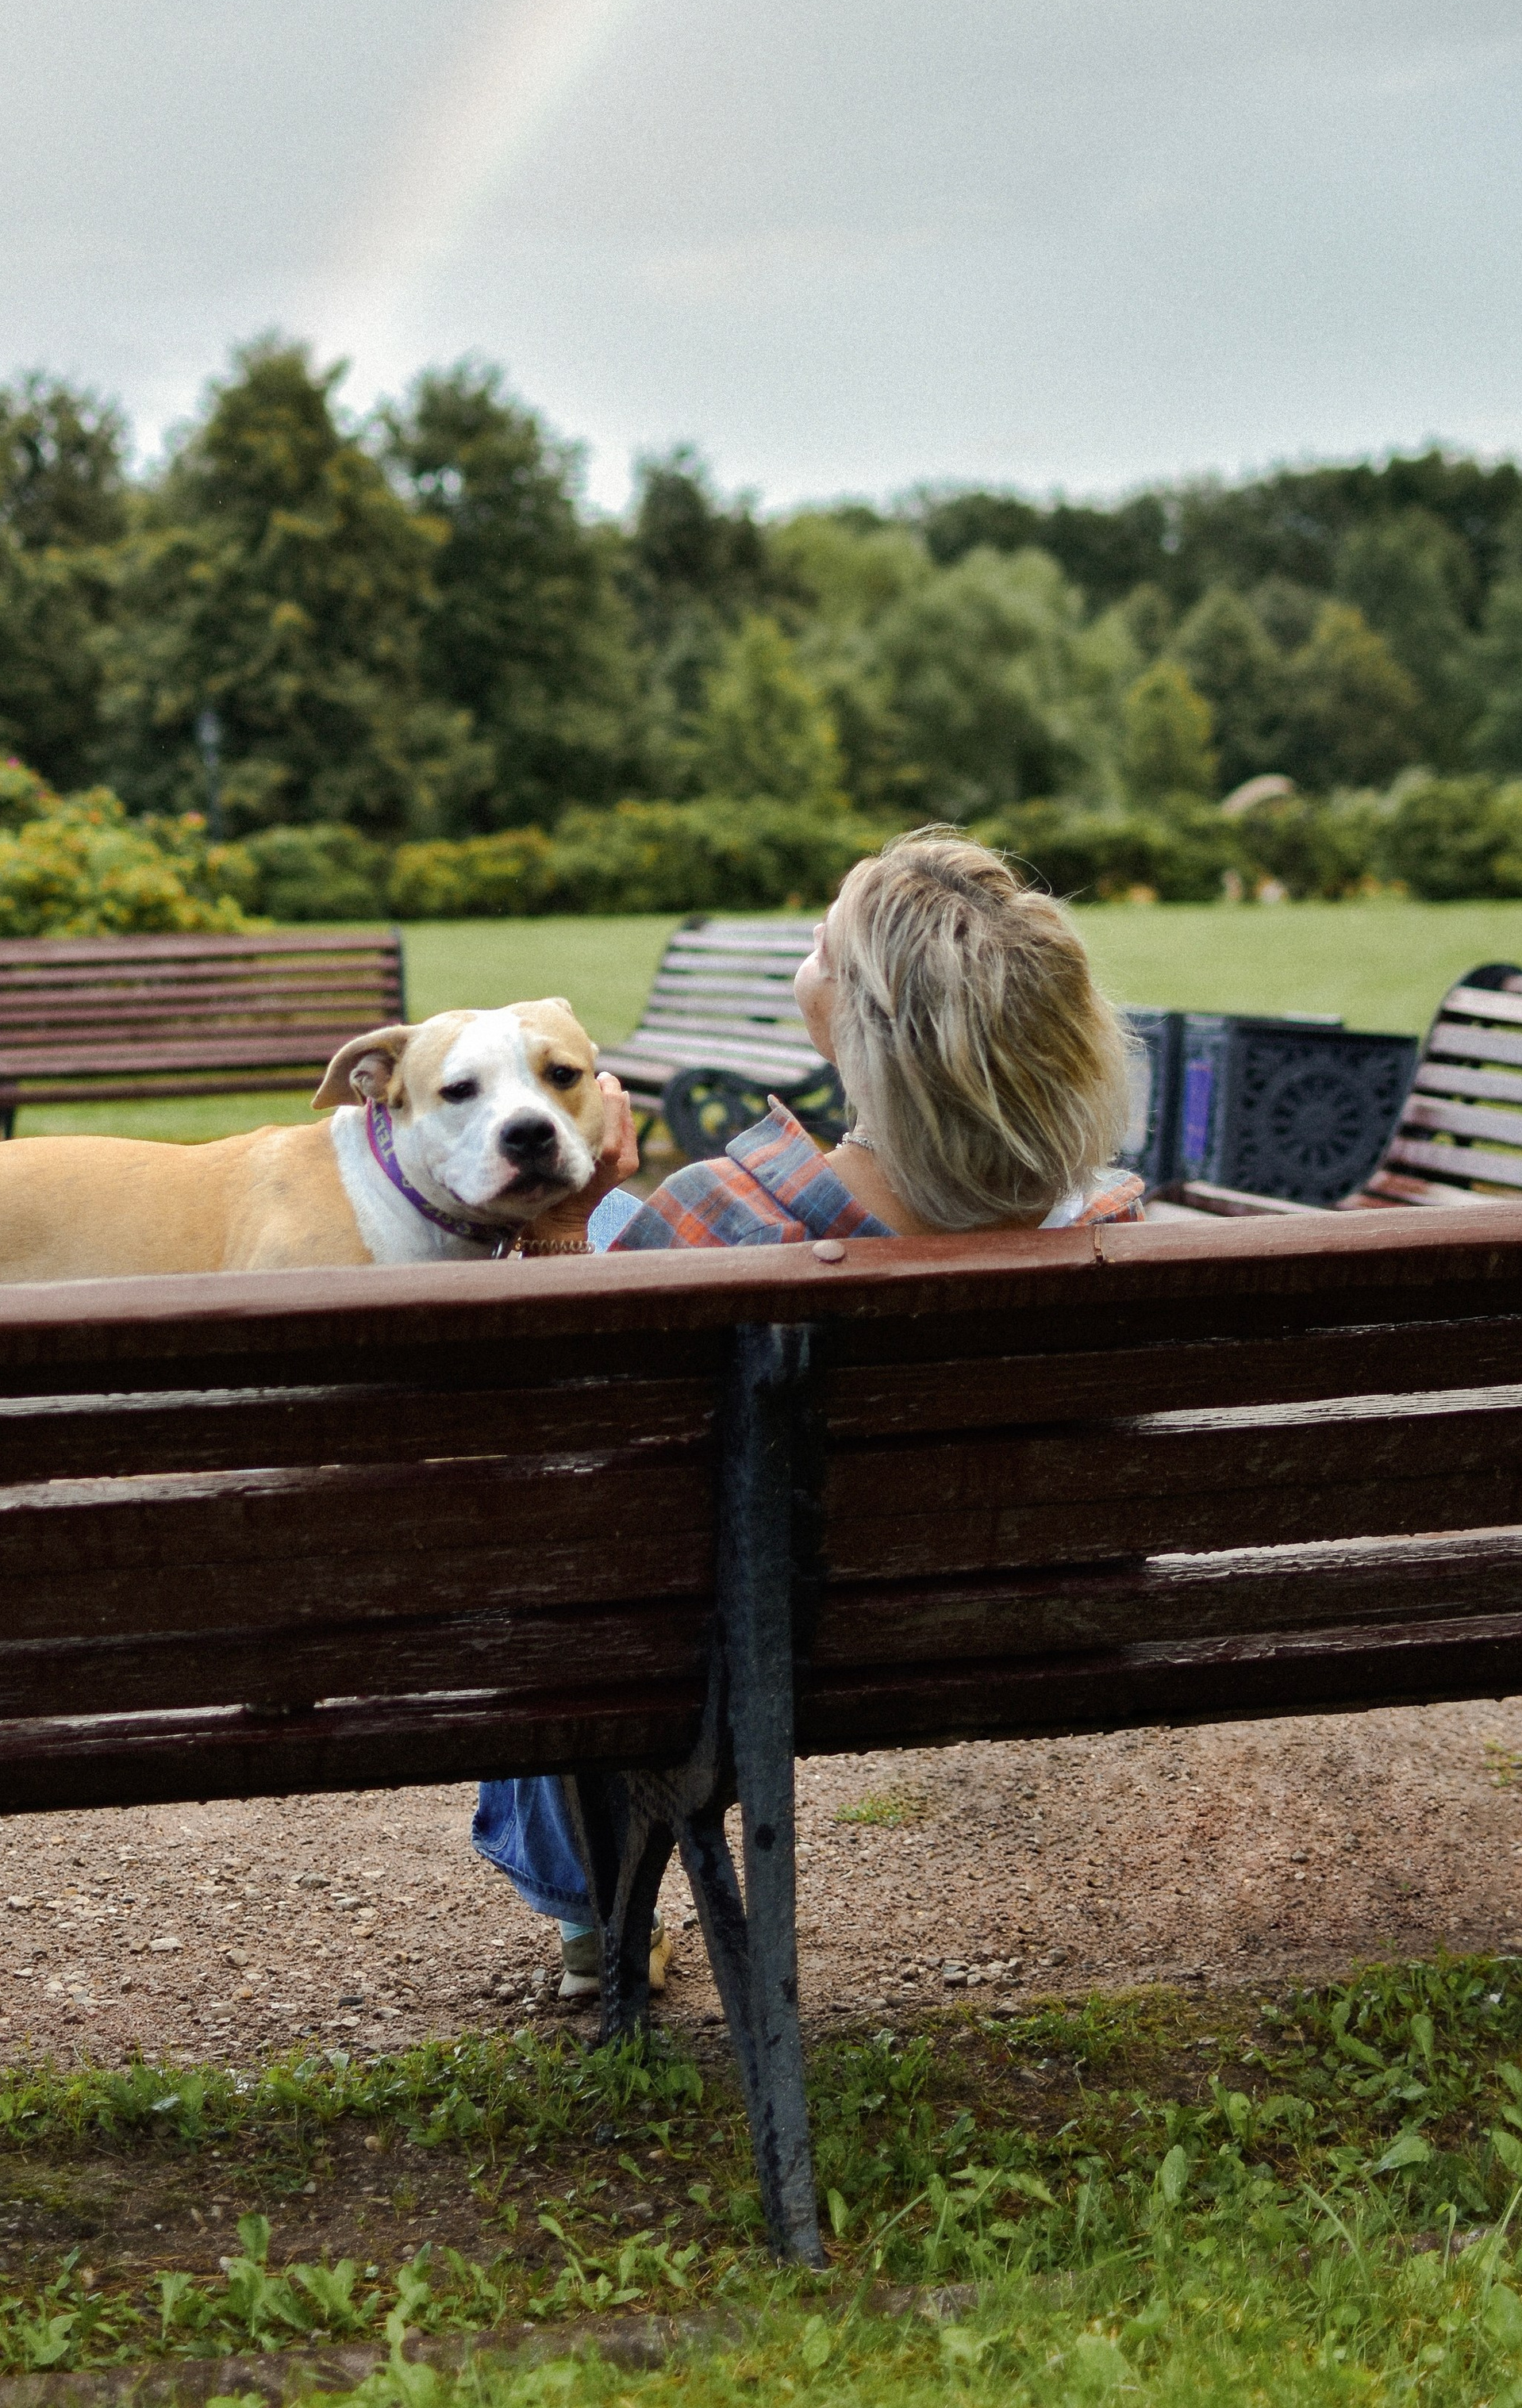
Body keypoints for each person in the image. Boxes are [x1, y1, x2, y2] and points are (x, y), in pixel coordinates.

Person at [472, 828, 1147, 1995]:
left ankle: (590, 1921)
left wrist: (565, 1227)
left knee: (574, 1576)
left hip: (736, 1654)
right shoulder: (1114, 1231)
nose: (810, 947)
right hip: (1017, 1625)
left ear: (856, 1015)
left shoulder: (714, 1225)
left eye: (823, 937)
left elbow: (561, 1460)